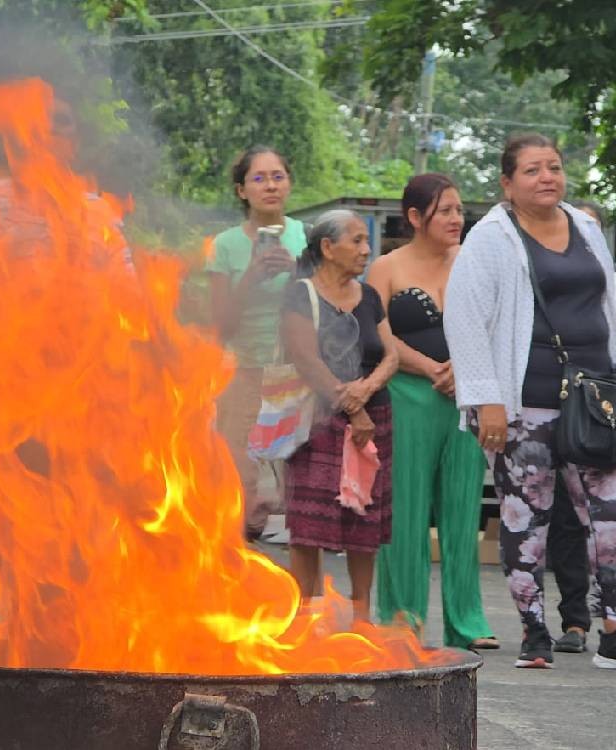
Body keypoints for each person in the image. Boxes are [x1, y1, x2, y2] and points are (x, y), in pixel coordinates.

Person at [444, 132, 616, 672]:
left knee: (615, 513)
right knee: (528, 519)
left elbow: (606, 309)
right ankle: (534, 631)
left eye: (554, 167)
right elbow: (465, 319)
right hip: (524, 404)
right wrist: (486, 400)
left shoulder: (587, 227)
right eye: (532, 170)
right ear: (507, 182)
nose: (546, 177)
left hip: (595, 398)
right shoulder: (491, 237)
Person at [366, 173, 498, 652]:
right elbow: (374, 333)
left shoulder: (473, 263)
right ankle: (402, 619)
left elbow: (495, 325)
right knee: (404, 510)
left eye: (459, 210)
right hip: (406, 397)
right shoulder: (386, 267)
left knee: (463, 509)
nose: (456, 219)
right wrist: (427, 367)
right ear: (416, 217)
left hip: (465, 397)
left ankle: (468, 619)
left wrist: (465, 371)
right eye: (445, 210)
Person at [547, 200, 616, 656]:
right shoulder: (546, 282)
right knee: (566, 522)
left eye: (590, 226)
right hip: (558, 411)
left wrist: (576, 342)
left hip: (611, 414)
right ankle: (574, 622)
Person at [281, 209, 398, 623]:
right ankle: (304, 617)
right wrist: (352, 406)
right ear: (327, 248)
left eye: (366, 241)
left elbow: (391, 355)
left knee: (364, 524)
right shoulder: (301, 294)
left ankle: (362, 616)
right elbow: (306, 359)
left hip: (374, 422)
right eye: (356, 241)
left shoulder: (369, 297)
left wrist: (366, 390)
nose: (366, 250)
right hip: (319, 422)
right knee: (309, 523)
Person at [207, 147, 306, 541]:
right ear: (241, 190)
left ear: (289, 184)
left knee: (296, 481)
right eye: (259, 178)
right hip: (242, 375)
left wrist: (298, 272)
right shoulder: (225, 245)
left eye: (278, 176)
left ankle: (296, 586)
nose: (270, 186)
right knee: (238, 482)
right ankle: (237, 568)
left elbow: (328, 305)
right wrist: (249, 278)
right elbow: (219, 325)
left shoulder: (307, 237)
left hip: (297, 374)